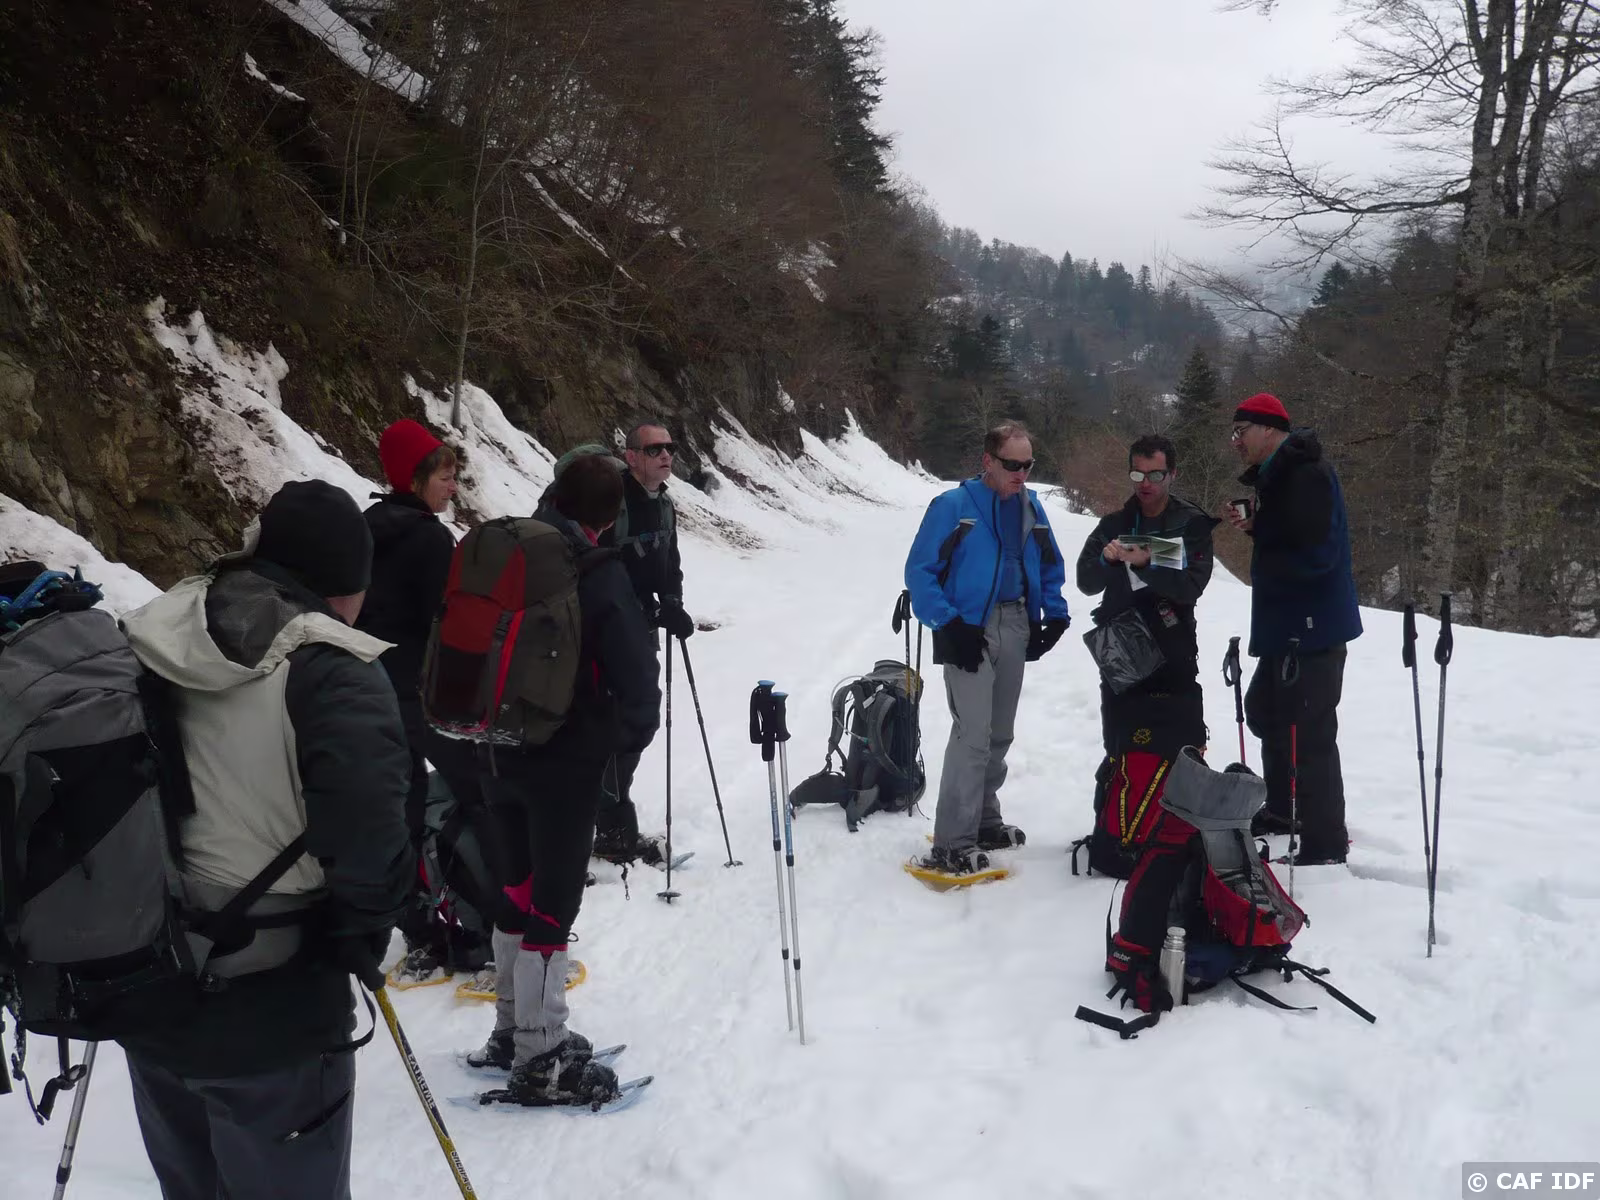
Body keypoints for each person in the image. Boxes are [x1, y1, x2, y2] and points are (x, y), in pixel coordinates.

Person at [119, 478, 413, 1200]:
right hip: (275, 1010)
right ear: (346, 583)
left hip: (148, 986)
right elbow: (370, 838)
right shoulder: (330, 667)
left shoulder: (161, 626)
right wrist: (363, 929)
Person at [465, 453, 660, 1105]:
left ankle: (511, 1031)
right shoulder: (596, 572)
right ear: (611, 517)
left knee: (515, 891)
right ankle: (541, 1054)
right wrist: (619, 747)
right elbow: (637, 680)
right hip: (563, 760)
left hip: (493, 749)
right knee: (553, 902)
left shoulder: (507, 554)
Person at [903, 421, 1071, 875]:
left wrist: (1054, 615)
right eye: (1012, 465)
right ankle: (952, 842)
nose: (1021, 474)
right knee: (972, 734)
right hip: (967, 627)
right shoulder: (954, 506)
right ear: (988, 461)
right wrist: (948, 624)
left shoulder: (1031, 506)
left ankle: (983, 818)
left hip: (1015, 622)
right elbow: (919, 571)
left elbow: (1050, 564)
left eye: (1028, 465)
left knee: (1000, 732)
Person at [355, 418, 489, 980]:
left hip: (371, 688)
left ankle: (422, 930)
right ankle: (481, 930)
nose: (452, 487)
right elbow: (452, 620)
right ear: (413, 478)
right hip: (426, 691)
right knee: (480, 793)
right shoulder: (430, 538)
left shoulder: (364, 529)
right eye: (443, 477)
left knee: (403, 807)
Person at [1226, 392, 1363, 866]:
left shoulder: (1306, 474)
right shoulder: (1282, 474)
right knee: (1266, 710)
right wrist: (1258, 527)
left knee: (1310, 732)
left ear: (1269, 428)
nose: (1236, 441)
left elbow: (1316, 552)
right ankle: (1285, 810)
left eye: (1241, 430)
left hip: (1311, 628)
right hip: (1288, 626)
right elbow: (1292, 534)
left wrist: (1264, 532)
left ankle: (1325, 843)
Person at [1076, 433, 1220, 794]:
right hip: (1121, 649)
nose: (1146, 484)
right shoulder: (1114, 524)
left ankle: (1175, 820)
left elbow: (1191, 585)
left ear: (1172, 474)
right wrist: (1108, 560)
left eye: (1155, 475)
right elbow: (1085, 581)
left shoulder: (1192, 523)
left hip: (1173, 647)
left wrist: (1147, 562)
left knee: (1181, 749)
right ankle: (1117, 815)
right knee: (1121, 746)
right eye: (1138, 474)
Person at [590, 422, 693, 865]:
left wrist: (672, 602)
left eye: (669, 447)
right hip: (604, 634)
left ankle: (610, 821)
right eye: (654, 449)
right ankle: (610, 825)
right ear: (631, 456)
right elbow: (594, 570)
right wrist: (642, 611)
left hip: (640, 630)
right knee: (622, 721)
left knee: (636, 720)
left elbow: (670, 563)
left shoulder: (663, 504)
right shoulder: (610, 503)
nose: (665, 455)